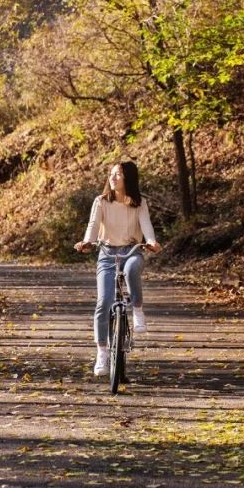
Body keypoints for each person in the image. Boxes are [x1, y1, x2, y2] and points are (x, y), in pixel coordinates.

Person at [74, 160, 162, 376]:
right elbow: (93, 226)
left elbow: (147, 226)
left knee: (132, 270)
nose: (113, 178)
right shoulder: (101, 201)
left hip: (131, 251)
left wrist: (151, 242)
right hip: (107, 254)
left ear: (128, 179)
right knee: (104, 302)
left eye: (118, 174)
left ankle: (138, 310)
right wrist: (87, 242)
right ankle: (102, 353)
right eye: (112, 174)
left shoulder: (139, 203)